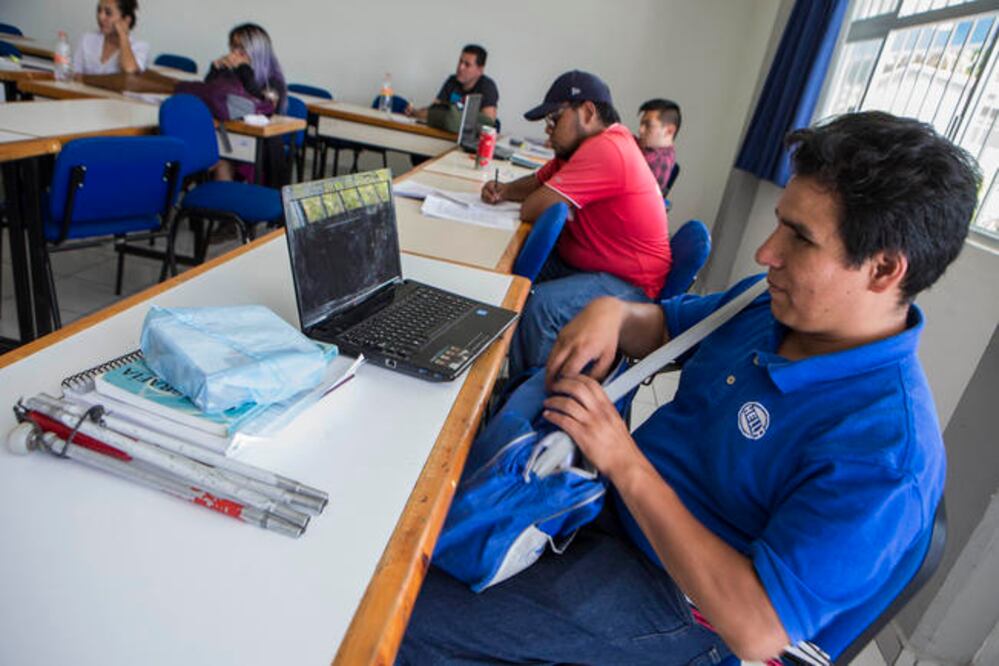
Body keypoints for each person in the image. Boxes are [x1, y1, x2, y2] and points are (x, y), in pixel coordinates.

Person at [397, 111, 979, 665]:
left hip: (678, 597)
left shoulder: (887, 453)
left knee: (403, 617)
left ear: (884, 269)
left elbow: (753, 626)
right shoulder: (767, 305)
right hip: (610, 505)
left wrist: (624, 461)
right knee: (409, 527)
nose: (766, 252)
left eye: (800, 238)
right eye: (780, 222)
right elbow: (664, 326)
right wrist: (612, 313)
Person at [481, 70, 671, 379]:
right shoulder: (581, 149)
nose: (549, 130)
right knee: (505, 272)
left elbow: (533, 207)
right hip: (591, 265)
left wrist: (523, 196)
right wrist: (504, 191)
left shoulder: (608, 148)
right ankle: (493, 367)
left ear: (588, 112)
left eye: (555, 119)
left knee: (542, 307)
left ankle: (532, 397)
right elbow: (537, 182)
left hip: (629, 285)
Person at [204, 23, 288, 184]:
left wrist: (244, 69)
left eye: (241, 49)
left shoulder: (272, 82)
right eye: (233, 47)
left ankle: (224, 198)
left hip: (258, 144)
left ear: (256, 51)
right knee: (201, 152)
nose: (235, 53)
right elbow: (211, 97)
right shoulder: (233, 72)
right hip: (226, 134)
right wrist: (215, 70)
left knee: (221, 162)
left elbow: (260, 105)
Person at [406, 44, 499, 121]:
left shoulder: (487, 87)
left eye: (467, 65)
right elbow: (433, 111)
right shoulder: (452, 81)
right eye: (460, 61)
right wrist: (415, 112)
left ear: (480, 70)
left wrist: (446, 116)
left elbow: (488, 122)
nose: (460, 67)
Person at [73, 0, 148, 75]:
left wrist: (123, 35)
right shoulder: (87, 39)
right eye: (99, 11)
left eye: (108, 13)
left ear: (126, 20)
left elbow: (130, 71)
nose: (101, 17)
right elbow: (74, 73)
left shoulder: (140, 47)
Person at [637, 98, 681, 196]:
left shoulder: (657, 161)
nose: (640, 130)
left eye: (648, 125)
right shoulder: (651, 149)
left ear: (669, 131)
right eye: (641, 124)